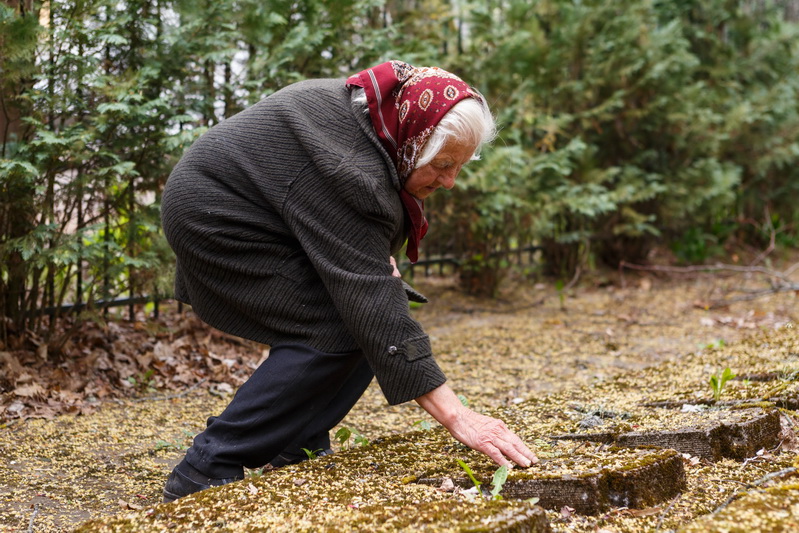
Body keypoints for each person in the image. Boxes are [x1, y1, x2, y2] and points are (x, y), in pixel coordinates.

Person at [160, 60, 538, 503]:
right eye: (442, 164)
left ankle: (296, 440)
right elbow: (372, 307)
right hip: (219, 217)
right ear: (413, 141)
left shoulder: (384, 123)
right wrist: (458, 417)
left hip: (259, 211)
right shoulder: (351, 168)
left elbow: (367, 282)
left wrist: (374, 273)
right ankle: (208, 464)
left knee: (362, 317)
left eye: (461, 165)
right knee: (342, 323)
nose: (450, 181)